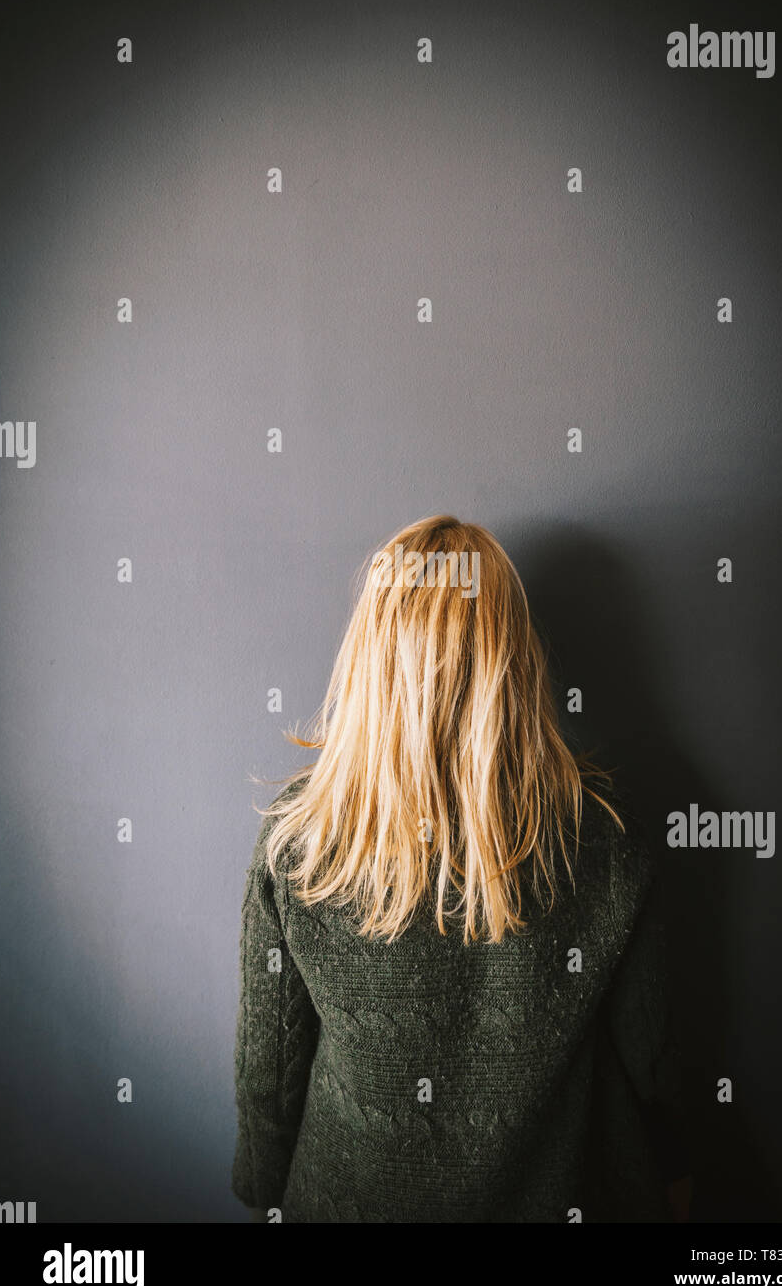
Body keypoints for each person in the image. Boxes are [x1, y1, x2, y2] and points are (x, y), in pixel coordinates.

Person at [232, 514, 691, 1222]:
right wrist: (676, 1178)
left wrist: (266, 1193)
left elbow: (270, 1073)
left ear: (371, 655)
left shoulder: (301, 839)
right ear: (516, 654)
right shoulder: (604, 837)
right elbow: (655, 1067)